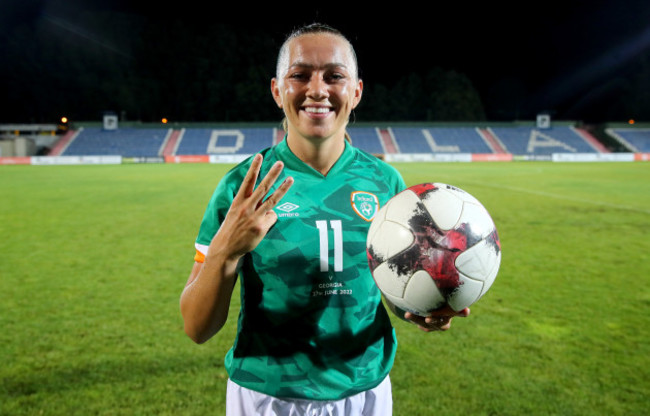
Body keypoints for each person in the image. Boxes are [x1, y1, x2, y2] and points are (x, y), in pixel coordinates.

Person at [180, 23, 470, 415]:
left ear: (356, 91)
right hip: (268, 397)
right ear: (277, 90)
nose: (317, 90)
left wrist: (421, 309)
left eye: (334, 76)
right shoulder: (242, 187)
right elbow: (197, 328)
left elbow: (391, 288)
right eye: (300, 75)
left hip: (364, 392)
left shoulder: (387, 183)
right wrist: (225, 254)